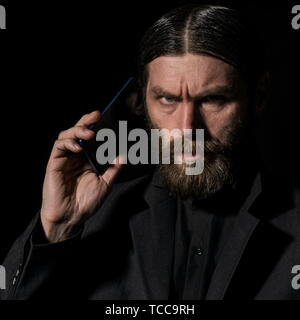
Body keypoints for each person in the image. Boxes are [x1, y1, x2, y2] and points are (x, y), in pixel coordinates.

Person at [1, 4, 299, 300]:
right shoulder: (93, 219)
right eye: (168, 99)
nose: (187, 128)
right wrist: (57, 229)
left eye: (213, 99)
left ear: (258, 96)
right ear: (142, 102)